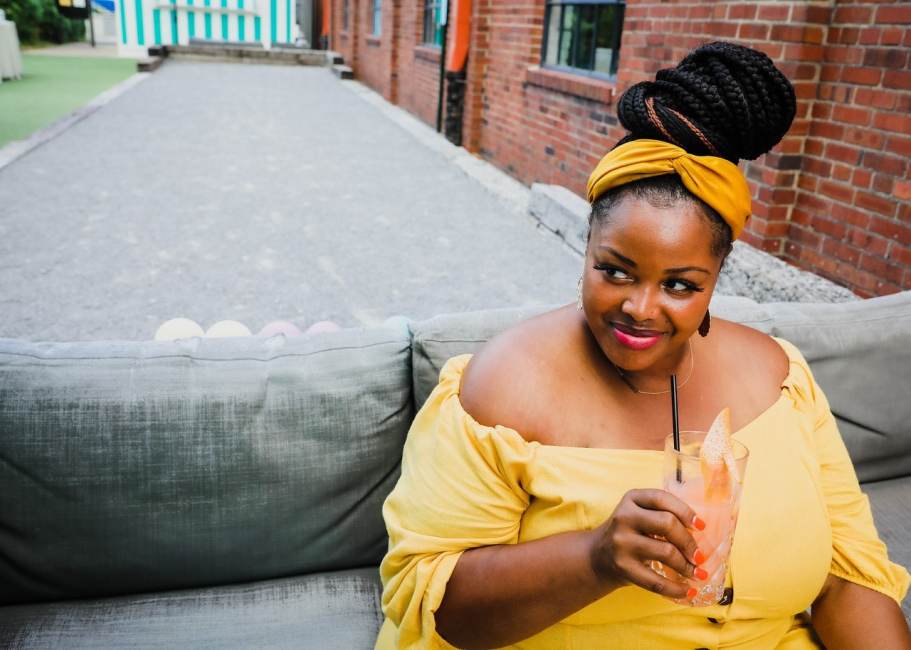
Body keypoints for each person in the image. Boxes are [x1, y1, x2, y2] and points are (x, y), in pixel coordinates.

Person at [375, 42, 911, 649]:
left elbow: (849, 579)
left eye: (681, 285)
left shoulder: (780, 380)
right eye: (617, 271)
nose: (641, 308)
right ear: (585, 253)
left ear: (715, 280)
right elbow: (431, 605)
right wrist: (594, 558)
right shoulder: (503, 388)